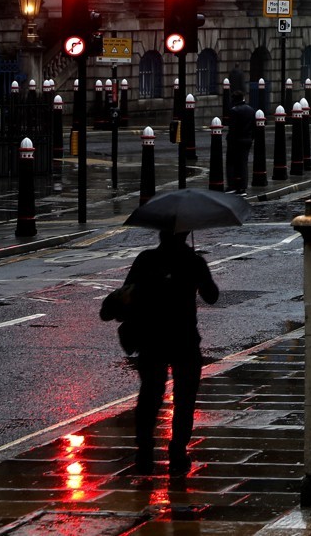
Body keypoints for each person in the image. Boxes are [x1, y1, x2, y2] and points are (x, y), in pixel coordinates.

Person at [124, 229, 219, 476]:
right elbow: (212, 296)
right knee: (185, 399)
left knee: (149, 397)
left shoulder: (146, 259)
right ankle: (177, 450)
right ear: (186, 233)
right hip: (184, 338)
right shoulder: (193, 261)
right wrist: (197, 270)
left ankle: (144, 450)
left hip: (151, 337)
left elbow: (127, 292)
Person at [226, 91, 255, 194]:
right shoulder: (251, 110)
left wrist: (230, 141)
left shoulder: (234, 111)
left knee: (231, 163)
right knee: (243, 164)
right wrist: (251, 138)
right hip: (247, 140)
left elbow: (232, 129)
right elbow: (254, 127)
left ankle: (232, 186)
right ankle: (243, 188)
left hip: (236, 140)